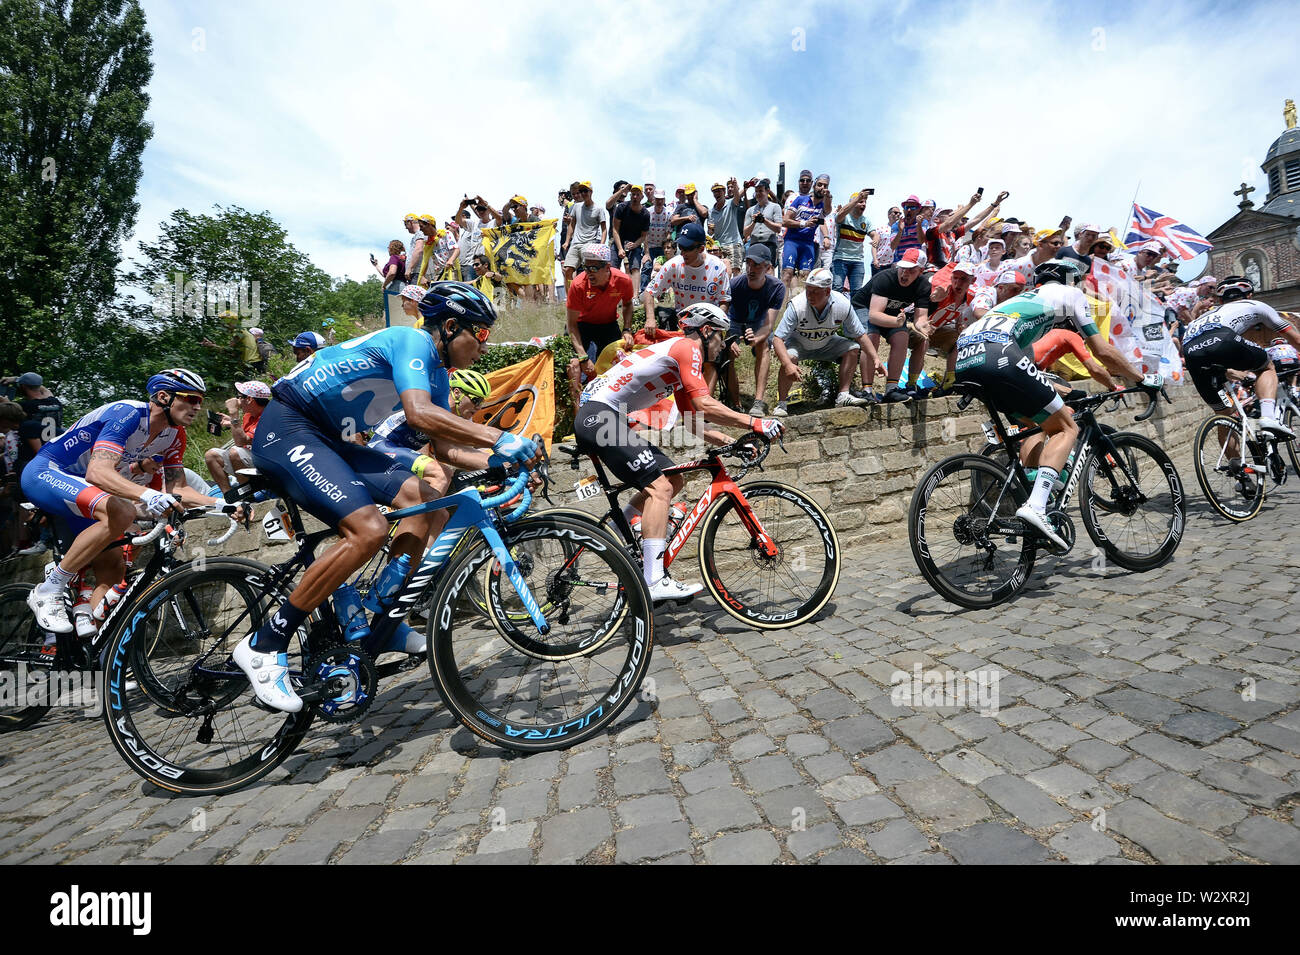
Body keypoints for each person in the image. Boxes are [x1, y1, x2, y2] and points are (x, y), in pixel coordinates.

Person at [239, 282, 541, 712]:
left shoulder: (438, 374)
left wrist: (497, 459)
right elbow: (418, 414)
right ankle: (266, 643)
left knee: (426, 493)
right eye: (483, 334)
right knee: (369, 530)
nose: (485, 347)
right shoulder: (411, 340)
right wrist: (500, 436)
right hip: (288, 427)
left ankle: (385, 612)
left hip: (331, 441)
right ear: (452, 326)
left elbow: (441, 445)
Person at [574, 302, 784, 602]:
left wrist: (732, 441)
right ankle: (654, 580)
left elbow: (693, 420)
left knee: (672, 481)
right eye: (721, 337)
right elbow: (705, 405)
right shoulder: (688, 348)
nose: (723, 345)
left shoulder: (678, 358)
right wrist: (755, 422)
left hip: (603, 417)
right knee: (659, 488)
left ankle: (618, 531)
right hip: (600, 417)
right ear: (707, 330)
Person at [954, 258, 1155, 548]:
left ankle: (1030, 500)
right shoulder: (1070, 295)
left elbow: (1025, 365)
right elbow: (1102, 352)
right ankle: (1036, 507)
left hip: (967, 356)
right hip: (998, 355)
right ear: (1070, 281)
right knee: (1066, 428)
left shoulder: (1020, 304)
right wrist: (1139, 378)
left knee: (1034, 422)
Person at [20, 369, 205, 633]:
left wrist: (226, 506)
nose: (197, 407)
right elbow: (97, 473)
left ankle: (101, 656)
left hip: (83, 490)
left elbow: (181, 490)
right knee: (121, 511)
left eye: (200, 400)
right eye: (191, 399)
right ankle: (50, 589)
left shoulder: (175, 435)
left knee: (113, 570)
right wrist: (149, 495)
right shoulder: (128, 413)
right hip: (48, 472)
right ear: (164, 397)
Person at [1181, 276, 1300, 437]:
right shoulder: (1256, 305)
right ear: (1249, 295)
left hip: (1190, 350)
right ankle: (1267, 417)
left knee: (1224, 415)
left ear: (1221, 301)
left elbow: (1205, 348)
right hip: (1222, 338)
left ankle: (1236, 462)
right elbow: (1296, 339)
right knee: (1266, 367)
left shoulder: (1206, 315)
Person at [771, 267, 883, 414]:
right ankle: (782, 404)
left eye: (815, 291)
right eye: (807, 289)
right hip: (798, 343)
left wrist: (875, 359)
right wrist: (787, 365)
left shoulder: (842, 304)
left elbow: (860, 335)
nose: (809, 295)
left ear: (827, 291)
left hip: (827, 343)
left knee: (853, 348)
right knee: (790, 357)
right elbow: (778, 338)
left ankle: (843, 395)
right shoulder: (797, 306)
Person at [852, 248, 933, 402]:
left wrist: (924, 327)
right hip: (864, 308)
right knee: (872, 337)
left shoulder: (924, 286)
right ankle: (867, 390)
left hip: (892, 314)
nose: (905, 273)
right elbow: (874, 316)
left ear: (921, 271)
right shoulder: (885, 278)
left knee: (902, 337)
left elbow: (920, 318)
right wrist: (896, 322)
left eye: (911, 270)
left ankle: (892, 389)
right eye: (903, 268)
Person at [566, 244, 635, 406]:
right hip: (582, 327)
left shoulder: (623, 281)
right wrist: (583, 356)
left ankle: (617, 408)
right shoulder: (577, 285)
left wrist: (627, 329)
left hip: (608, 326)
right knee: (577, 368)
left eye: (594, 268)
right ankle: (579, 414)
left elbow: (628, 304)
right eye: (585, 267)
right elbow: (571, 325)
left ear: (607, 267)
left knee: (618, 366)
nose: (588, 272)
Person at [641, 222, 730, 331]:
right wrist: (650, 318)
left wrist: (715, 326)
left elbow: (724, 301)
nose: (682, 253)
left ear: (701, 249)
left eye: (687, 248)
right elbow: (649, 291)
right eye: (680, 247)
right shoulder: (673, 265)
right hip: (682, 322)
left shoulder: (718, 267)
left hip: (709, 323)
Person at [729, 245, 786, 415]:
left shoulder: (777, 288)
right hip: (734, 321)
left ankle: (759, 401)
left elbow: (769, 325)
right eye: (748, 263)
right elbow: (722, 315)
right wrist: (730, 339)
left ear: (768, 268)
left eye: (757, 265)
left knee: (764, 347)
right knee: (726, 352)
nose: (751, 269)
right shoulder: (735, 284)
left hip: (759, 323)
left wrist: (756, 339)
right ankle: (734, 402)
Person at [205, 380, 271, 495]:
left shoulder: (268, 416)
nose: (238, 401)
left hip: (266, 462)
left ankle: (246, 494)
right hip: (252, 458)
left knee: (235, 452)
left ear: (249, 399)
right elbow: (243, 435)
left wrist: (234, 412)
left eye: (240, 397)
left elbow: (240, 442)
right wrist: (231, 422)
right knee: (211, 455)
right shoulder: (249, 416)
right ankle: (230, 496)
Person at [781, 169, 831, 294]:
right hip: (792, 241)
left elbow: (828, 212)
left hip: (808, 244)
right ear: (814, 186)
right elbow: (785, 221)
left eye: (825, 186)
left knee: (805, 277)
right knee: (787, 274)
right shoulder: (800, 199)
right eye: (820, 185)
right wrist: (804, 223)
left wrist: (826, 237)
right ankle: (780, 309)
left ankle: (797, 307)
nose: (822, 188)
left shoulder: (824, 205)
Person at [562, 181, 609, 289]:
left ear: (591, 192)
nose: (583, 193)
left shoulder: (599, 209)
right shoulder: (576, 207)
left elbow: (604, 229)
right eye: (581, 191)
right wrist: (567, 241)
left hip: (589, 244)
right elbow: (572, 225)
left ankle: (590, 295)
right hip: (575, 244)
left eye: (585, 191)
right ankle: (571, 298)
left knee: (589, 272)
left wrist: (601, 245)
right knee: (568, 271)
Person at [830, 189, 874, 297]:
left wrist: (875, 239)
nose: (863, 204)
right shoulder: (845, 216)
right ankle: (835, 312)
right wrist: (858, 197)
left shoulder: (866, 221)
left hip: (857, 261)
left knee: (857, 292)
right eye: (860, 201)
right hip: (840, 258)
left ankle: (854, 313)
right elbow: (839, 216)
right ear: (852, 203)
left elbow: (874, 233)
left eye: (865, 202)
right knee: (837, 288)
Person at [707, 179, 745, 276]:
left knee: (736, 272)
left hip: (734, 244)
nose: (717, 193)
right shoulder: (711, 211)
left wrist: (735, 186)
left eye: (719, 191)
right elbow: (710, 233)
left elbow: (737, 197)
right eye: (715, 192)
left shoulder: (730, 204)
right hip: (719, 247)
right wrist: (710, 229)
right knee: (720, 273)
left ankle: (737, 291)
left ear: (724, 192)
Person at [611, 185, 650, 278]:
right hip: (618, 241)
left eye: (637, 194)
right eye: (633, 194)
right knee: (612, 268)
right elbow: (615, 229)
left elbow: (643, 236)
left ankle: (635, 292)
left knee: (635, 268)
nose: (635, 197)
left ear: (642, 197)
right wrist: (620, 248)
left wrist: (635, 244)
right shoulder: (621, 207)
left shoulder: (645, 214)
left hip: (634, 243)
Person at [742, 179, 783, 266]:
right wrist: (754, 222)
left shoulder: (775, 207)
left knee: (769, 269)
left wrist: (764, 220)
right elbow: (745, 233)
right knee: (753, 269)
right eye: (756, 191)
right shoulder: (750, 210)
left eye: (761, 191)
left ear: (767, 191)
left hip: (769, 244)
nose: (758, 194)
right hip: (754, 243)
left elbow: (778, 228)